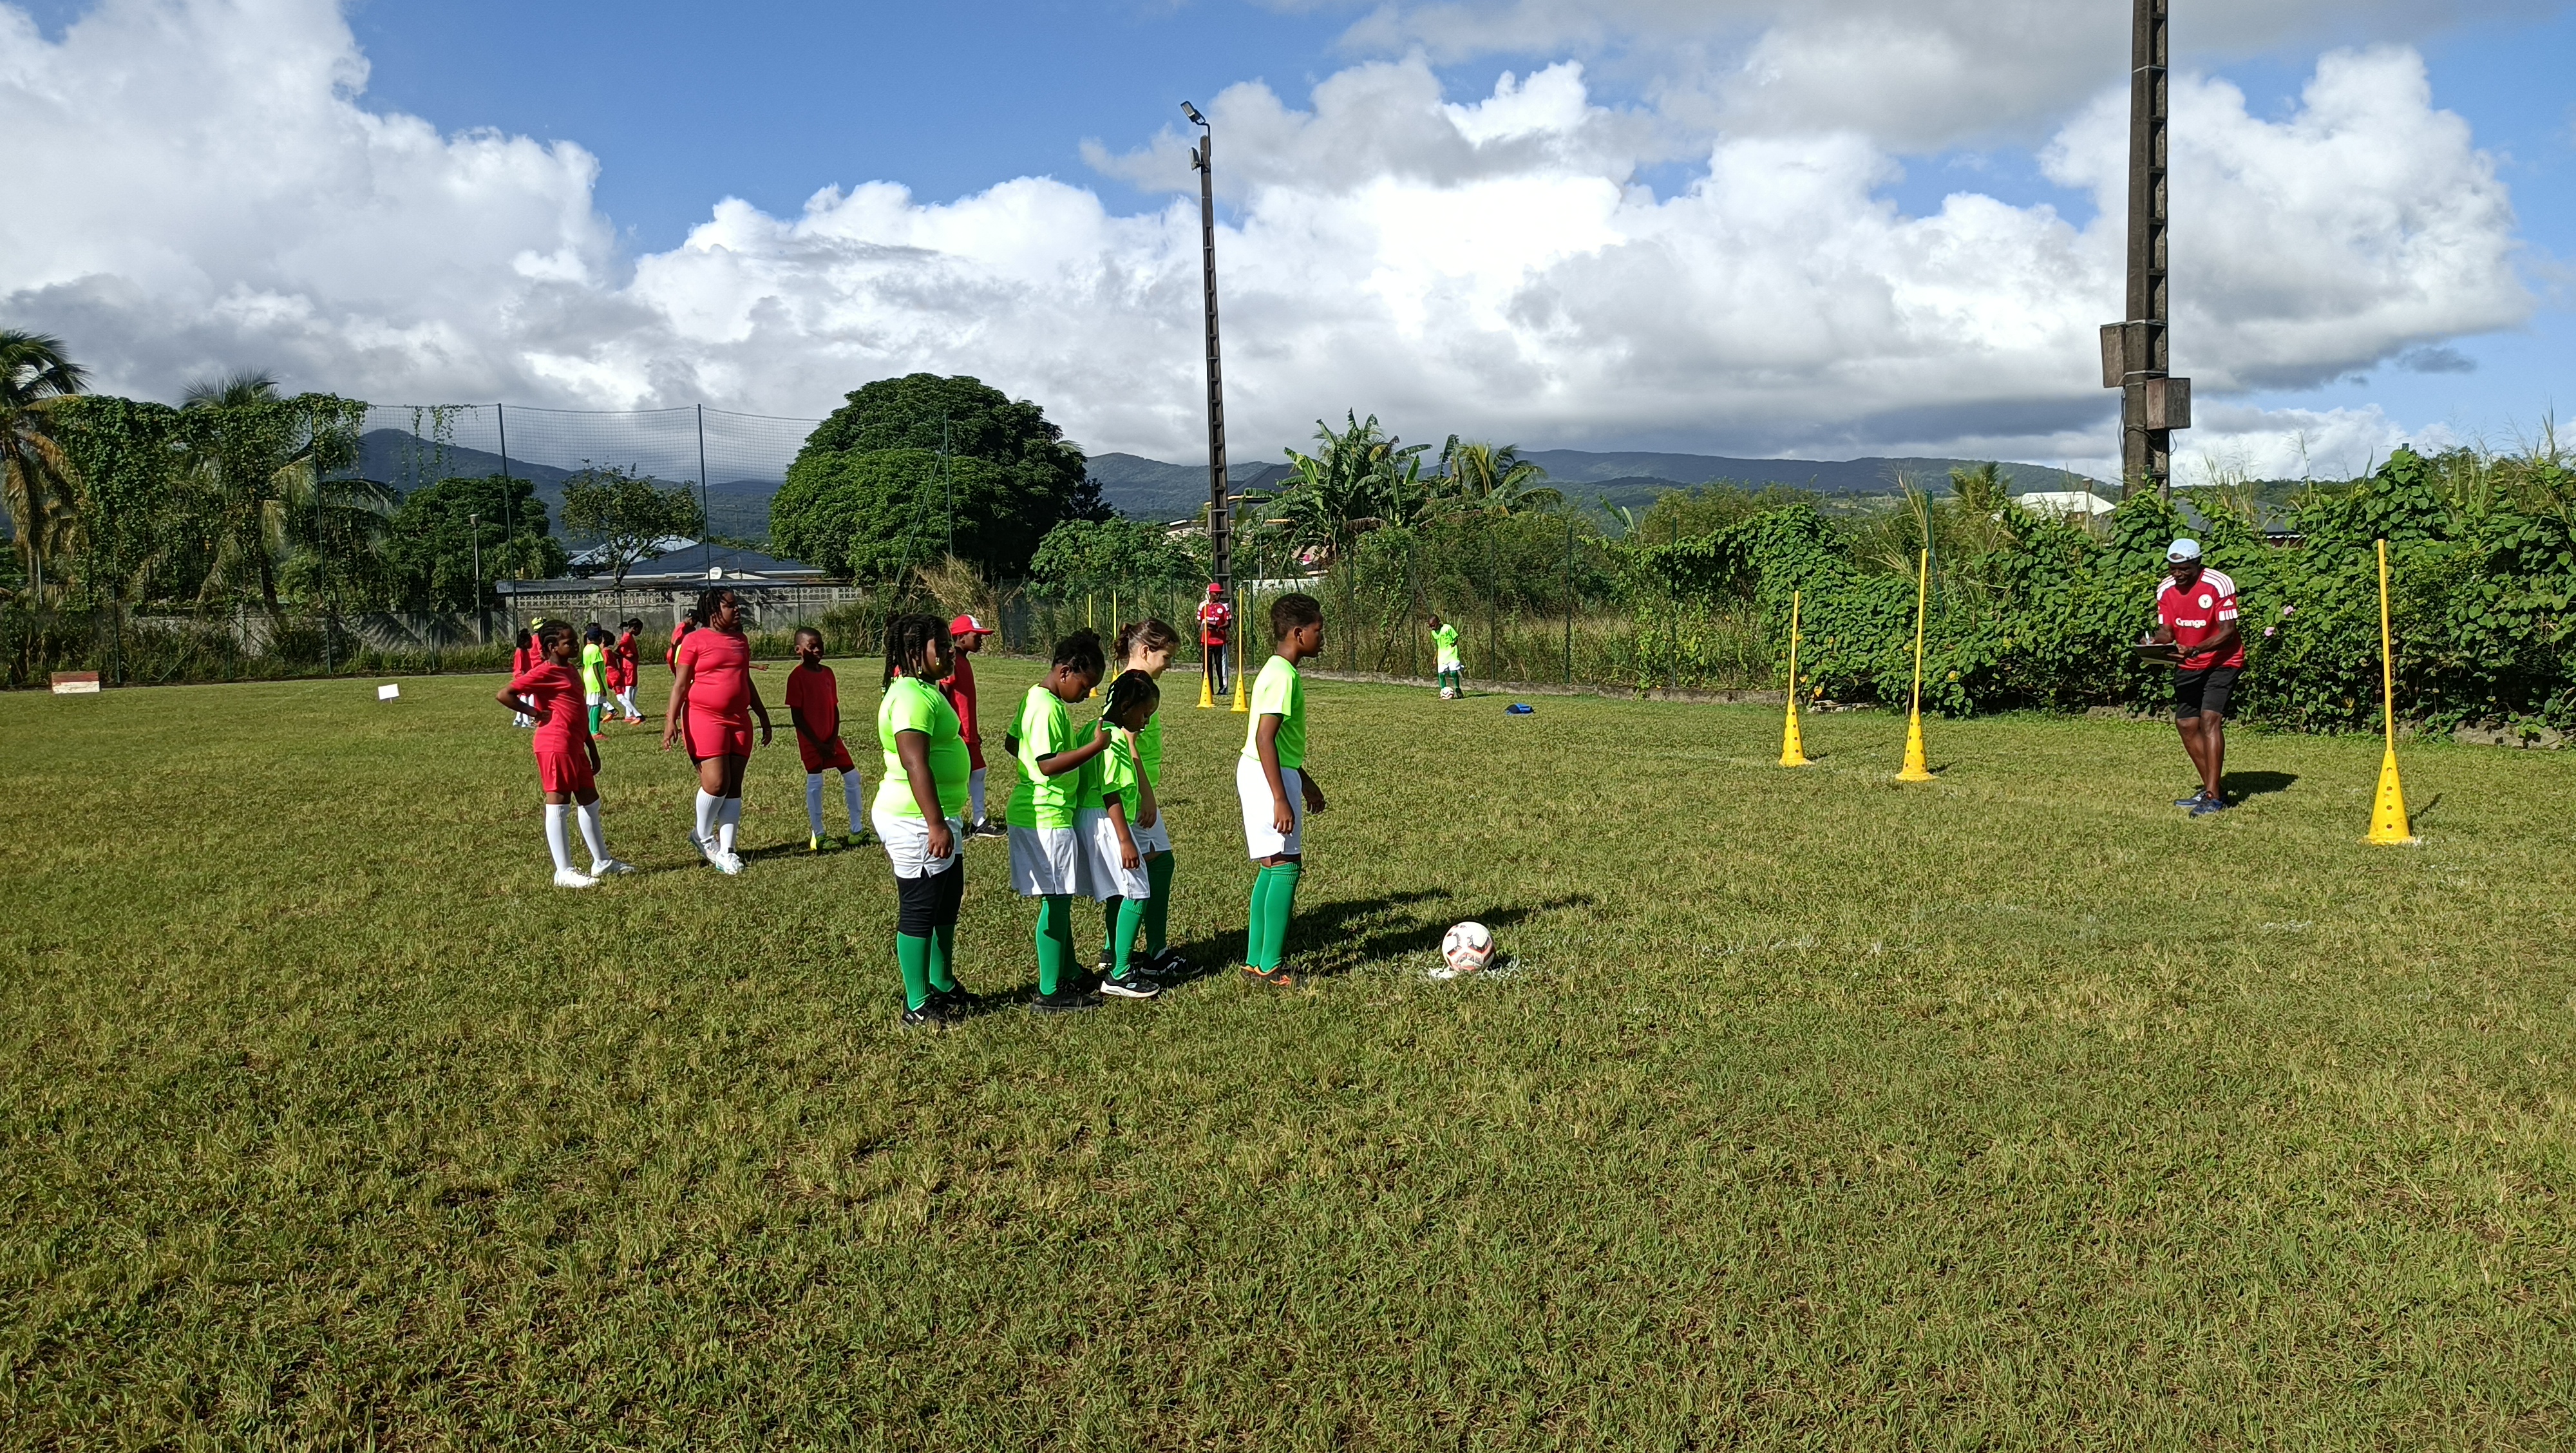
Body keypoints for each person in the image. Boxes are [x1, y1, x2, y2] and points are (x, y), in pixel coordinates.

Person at [1006, 629, 1118, 1014]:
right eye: (1085, 685)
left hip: (1041, 811)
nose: (1087, 694)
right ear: (1066, 671)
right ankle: (1050, 991)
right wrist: (1093, 747)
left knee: (1059, 899)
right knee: (1055, 904)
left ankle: (1067, 970)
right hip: (1046, 815)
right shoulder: (1048, 708)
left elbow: (1012, 742)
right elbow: (1047, 765)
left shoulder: (1034, 698)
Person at [875, 613, 975, 1029]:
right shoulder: (911, 697)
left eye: (950, 644)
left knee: (946, 900)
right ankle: (917, 1002)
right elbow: (914, 762)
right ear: (917, 652)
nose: (951, 652)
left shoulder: (925, 689)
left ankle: (941, 982)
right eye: (942, 646)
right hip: (915, 820)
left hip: (939, 816)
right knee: (920, 907)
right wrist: (935, 823)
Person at [494, 619, 634, 888]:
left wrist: (591, 746)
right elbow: (505, 694)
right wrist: (535, 713)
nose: (576, 646)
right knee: (559, 803)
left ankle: (602, 862)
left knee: (590, 800)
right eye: (569, 643)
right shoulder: (545, 671)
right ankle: (564, 871)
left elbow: (578, 711)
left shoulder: (569, 669)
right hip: (555, 743)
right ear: (552, 647)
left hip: (574, 744)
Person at [1239, 593, 1327, 987]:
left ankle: (1255, 961)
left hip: (1268, 772)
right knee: (1287, 865)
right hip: (1266, 776)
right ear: (1298, 633)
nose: (1321, 638)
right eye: (1318, 630)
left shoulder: (1278, 670)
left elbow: (1279, 743)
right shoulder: (1281, 676)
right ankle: (1271, 967)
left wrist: (1305, 783)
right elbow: (1265, 738)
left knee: (1272, 865)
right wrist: (1280, 797)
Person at [1099, 618, 1189, 980]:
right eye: (1166, 657)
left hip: (1133, 791)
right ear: (1146, 651)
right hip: (1133, 793)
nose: (1169, 665)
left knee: (1145, 870)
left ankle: (1115, 950)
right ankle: (1153, 953)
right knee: (1155, 867)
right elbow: (1129, 743)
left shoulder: (1128, 682)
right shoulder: (1134, 686)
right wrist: (1146, 795)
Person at [663, 586, 772, 873]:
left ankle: (728, 851)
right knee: (715, 783)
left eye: (737, 605)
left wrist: (762, 715)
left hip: (739, 720)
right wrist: (671, 720)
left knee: (734, 785)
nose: (737, 610)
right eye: (730, 606)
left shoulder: (741, 640)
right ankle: (702, 836)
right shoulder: (694, 640)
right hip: (704, 717)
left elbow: (745, 679)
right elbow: (681, 684)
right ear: (713, 611)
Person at [2143, 537, 2246, 815]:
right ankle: (2212, 788)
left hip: (2222, 661)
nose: (2177, 574)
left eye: (2184, 569)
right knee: (2187, 724)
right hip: (2188, 664)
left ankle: (2213, 797)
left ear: (2198, 564)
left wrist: (2196, 649)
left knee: (2209, 720)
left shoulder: (2219, 584)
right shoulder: (2165, 589)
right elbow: (2166, 631)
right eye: (2173, 568)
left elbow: (2228, 632)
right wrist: (2154, 644)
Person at [1079, 670, 1165, 1000]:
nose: (1145, 723)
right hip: (1107, 821)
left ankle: (1115, 957)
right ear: (1127, 706)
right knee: (1138, 891)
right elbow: (1110, 791)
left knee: (1120, 892)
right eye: (1144, 714)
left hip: (1092, 818)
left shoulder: (1093, 728)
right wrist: (1126, 840)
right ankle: (1121, 974)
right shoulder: (1114, 738)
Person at [782, 627, 868, 851]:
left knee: (853, 776)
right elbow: (797, 717)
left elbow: (834, 707)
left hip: (831, 740)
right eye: (812, 647)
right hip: (812, 742)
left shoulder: (828, 673)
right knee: (816, 782)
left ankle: (857, 831)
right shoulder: (796, 677)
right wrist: (818, 744)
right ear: (799, 650)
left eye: (820, 645)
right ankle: (819, 835)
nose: (818, 650)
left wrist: (831, 739)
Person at [941, 613, 1005, 837]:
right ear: (961, 637)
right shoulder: (952, 661)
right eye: (976, 636)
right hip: (958, 732)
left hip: (969, 733)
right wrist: (950, 728)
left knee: (978, 770)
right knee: (959, 776)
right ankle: (952, 822)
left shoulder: (963, 660)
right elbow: (943, 694)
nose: (981, 640)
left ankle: (979, 822)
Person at [1197, 583, 1235, 695]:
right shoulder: (1203, 606)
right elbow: (1199, 622)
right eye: (1216, 594)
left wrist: (1219, 627)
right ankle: (1208, 688)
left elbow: (1228, 623)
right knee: (1207, 665)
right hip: (1207, 640)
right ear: (1210, 594)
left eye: (1220, 594)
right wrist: (1204, 624)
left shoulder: (1224, 606)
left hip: (1220, 641)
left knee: (1221, 665)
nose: (1218, 596)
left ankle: (1223, 688)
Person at [507, 623, 541, 728]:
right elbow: (520, 668)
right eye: (529, 641)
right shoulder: (520, 652)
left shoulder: (525, 651)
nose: (531, 643)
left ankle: (518, 720)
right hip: (521, 676)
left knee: (524, 698)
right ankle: (526, 721)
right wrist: (525, 679)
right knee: (527, 697)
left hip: (526, 676)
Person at [580, 623, 611, 737]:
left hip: (588, 679)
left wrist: (583, 681)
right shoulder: (596, 649)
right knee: (597, 706)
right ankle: (595, 731)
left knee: (592, 705)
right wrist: (602, 686)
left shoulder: (586, 648)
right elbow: (595, 668)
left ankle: (589, 729)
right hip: (595, 681)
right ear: (600, 638)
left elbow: (584, 666)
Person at [612, 619, 645, 723]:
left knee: (633, 688)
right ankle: (629, 714)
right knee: (629, 688)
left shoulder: (629, 636)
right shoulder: (626, 637)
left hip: (631, 666)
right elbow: (617, 649)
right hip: (628, 667)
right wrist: (624, 655)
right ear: (635, 628)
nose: (640, 632)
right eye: (639, 630)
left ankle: (631, 712)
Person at [1431, 613, 1463, 698]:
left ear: (1438, 622)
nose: (1432, 628)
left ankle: (1458, 689)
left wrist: (1453, 643)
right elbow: (1438, 645)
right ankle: (1443, 691)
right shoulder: (1434, 633)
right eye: (1430, 626)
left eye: (1433, 625)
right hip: (1442, 657)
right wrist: (1435, 658)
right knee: (1441, 674)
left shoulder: (1447, 628)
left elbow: (1456, 638)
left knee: (1453, 673)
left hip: (1452, 654)